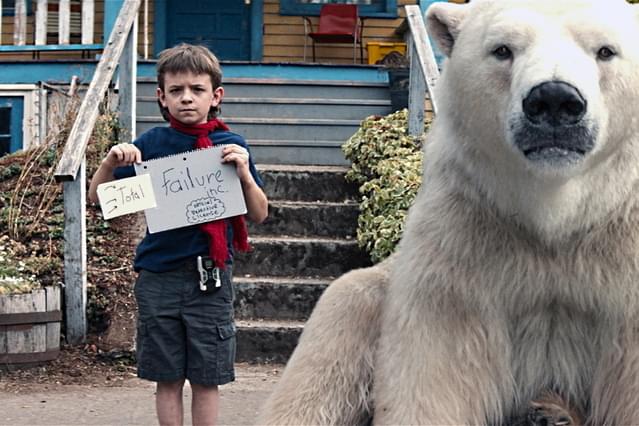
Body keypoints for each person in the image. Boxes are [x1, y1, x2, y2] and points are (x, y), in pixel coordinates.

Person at [88, 43, 268, 426]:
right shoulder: (150, 146)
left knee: (208, 378)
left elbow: (259, 213)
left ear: (215, 96)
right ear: (162, 97)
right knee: (167, 377)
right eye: (176, 90)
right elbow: (101, 202)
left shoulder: (231, 146)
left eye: (197, 89)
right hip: (159, 278)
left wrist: (245, 174)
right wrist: (109, 162)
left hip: (211, 279)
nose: (187, 98)